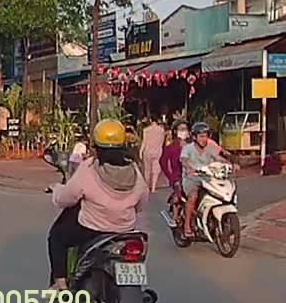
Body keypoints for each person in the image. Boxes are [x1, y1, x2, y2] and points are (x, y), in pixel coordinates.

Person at [46, 119, 149, 291]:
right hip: (124, 231)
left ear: (96, 147)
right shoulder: (134, 170)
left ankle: (60, 283)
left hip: (91, 229)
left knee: (56, 237)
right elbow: (141, 203)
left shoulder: (88, 169)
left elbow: (66, 198)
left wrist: (56, 190)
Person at [180, 122, 229, 237]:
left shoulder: (210, 149)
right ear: (194, 137)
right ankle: (187, 225)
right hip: (191, 179)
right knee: (193, 196)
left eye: (206, 136)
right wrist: (189, 168)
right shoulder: (188, 148)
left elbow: (219, 158)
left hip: (208, 179)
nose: (204, 139)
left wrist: (230, 164)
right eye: (201, 136)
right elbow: (183, 160)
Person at [160, 120, 189, 201]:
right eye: (182, 129)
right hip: (178, 178)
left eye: (186, 129)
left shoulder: (193, 145)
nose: (184, 131)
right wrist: (171, 177)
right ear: (175, 131)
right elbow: (163, 162)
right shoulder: (171, 146)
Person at [139, 116, 167, 193]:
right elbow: (162, 142)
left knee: (147, 170)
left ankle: (147, 187)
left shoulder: (146, 130)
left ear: (150, 120)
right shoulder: (161, 130)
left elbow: (144, 142)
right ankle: (153, 188)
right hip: (157, 151)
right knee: (156, 170)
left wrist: (140, 152)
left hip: (148, 151)